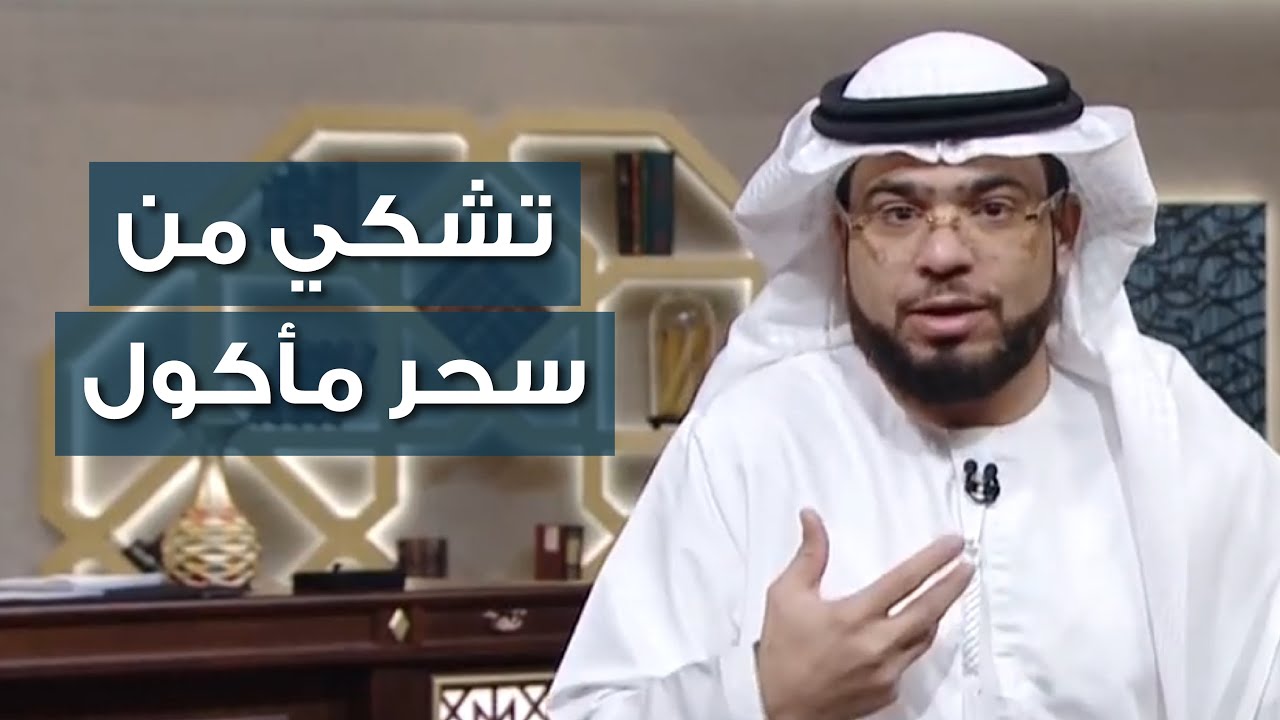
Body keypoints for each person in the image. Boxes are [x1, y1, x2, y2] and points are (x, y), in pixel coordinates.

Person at [546, 31, 1280, 720]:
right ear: (842, 238)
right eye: (897, 212)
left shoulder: (1183, 449)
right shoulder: (749, 443)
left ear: (1064, 229)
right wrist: (762, 693)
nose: (943, 255)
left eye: (994, 208)